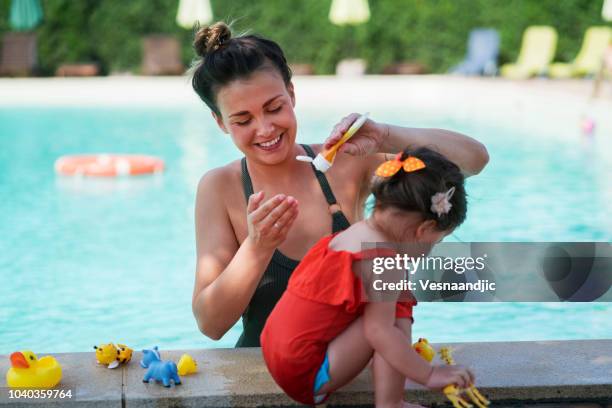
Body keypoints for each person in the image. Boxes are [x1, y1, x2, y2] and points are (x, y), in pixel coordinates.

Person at [190, 21, 489, 347]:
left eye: (274, 108)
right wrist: (257, 248)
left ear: (291, 94)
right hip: (266, 374)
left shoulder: (344, 163)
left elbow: (473, 160)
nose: (264, 129)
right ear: (220, 122)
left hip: (354, 376)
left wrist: (385, 136)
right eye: (243, 120)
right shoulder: (220, 188)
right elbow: (210, 323)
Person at [261, 147, 473, 407]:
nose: (432, 249)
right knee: (395, 315)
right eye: (437, 241)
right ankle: (391, 403)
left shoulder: (352, 234)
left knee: (383, 310)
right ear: (425, 229)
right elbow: (378, 332)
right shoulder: (386, 261)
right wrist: (428, 374)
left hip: (278, 357)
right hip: (306, 377)